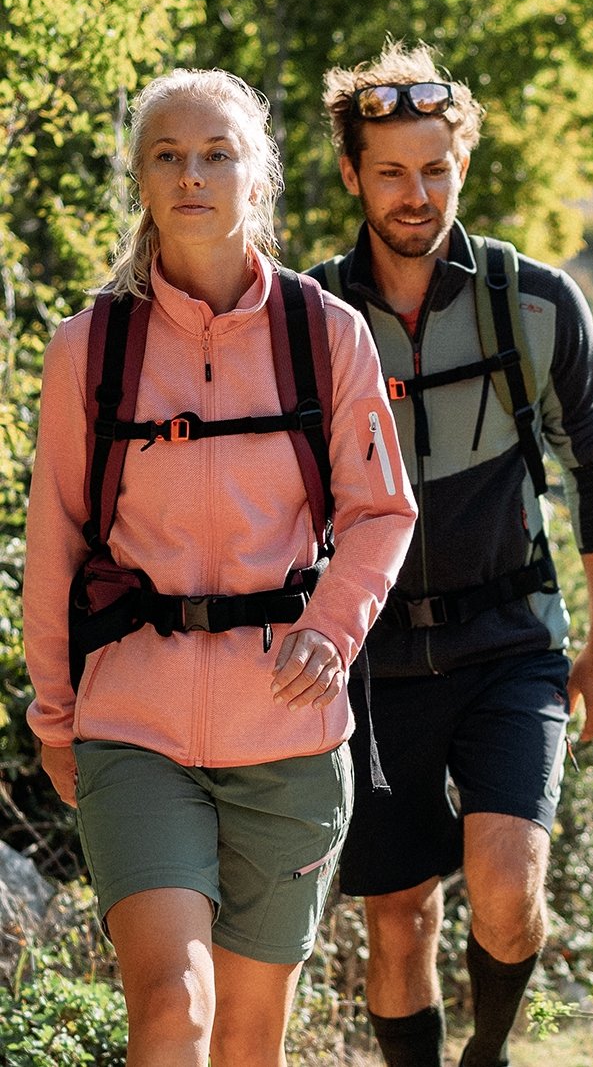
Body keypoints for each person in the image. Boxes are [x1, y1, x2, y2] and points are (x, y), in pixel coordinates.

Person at [22, 65, 417, 1067]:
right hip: (132, 726)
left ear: (258, 179)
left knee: (247, 1039)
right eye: (167, 155)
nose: (191, 175)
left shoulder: (325, 335)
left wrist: (331, 631)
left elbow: (380, 513)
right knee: (170, 1009)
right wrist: (56, 714)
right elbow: (58, 541)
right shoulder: (90, 348)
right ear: (142, 183)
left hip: (286, 736)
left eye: (216, 153)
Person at [310, 38, 593, 1067]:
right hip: (369, 665)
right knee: (397, 920)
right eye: (392, 171)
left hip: (509, 644)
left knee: (505, 896)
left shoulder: (532, 301)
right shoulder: (306, 315)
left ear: (463, 164)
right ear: (353, 173)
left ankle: (486, 1056)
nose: (417, 193)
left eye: (436, 167)